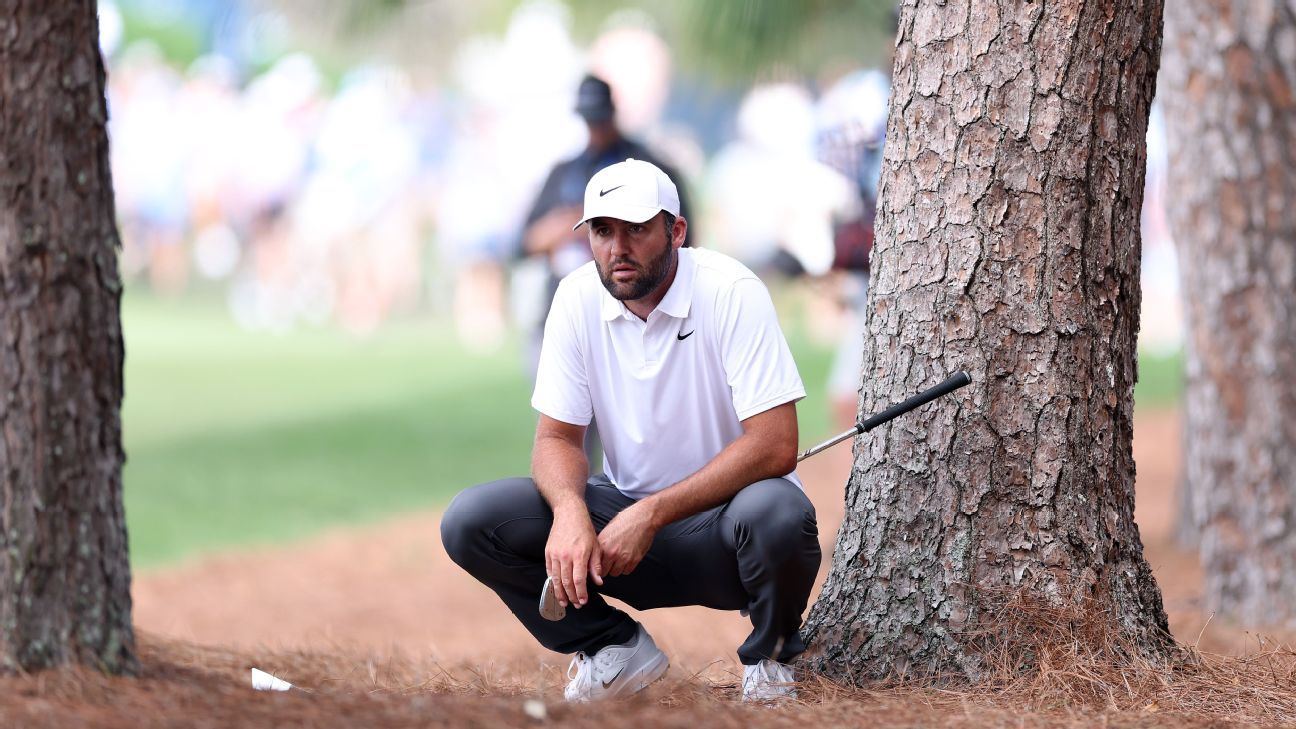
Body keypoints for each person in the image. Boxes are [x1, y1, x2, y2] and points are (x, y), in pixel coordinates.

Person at [442, 159, 819, 703]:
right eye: (602, 231)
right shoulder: (574, 299)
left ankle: (771, 659)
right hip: (617, 530)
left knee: (779, 513)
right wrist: (572, 513)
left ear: (676, 231)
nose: (617, 247)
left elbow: (776, 443)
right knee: (472, 520)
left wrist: (650, 514)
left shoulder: (731, 290)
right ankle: (612, 648)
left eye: (636, 229)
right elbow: (556, 440)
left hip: (724, 535)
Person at [518, 73, 692, 469]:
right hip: (567, 302)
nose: (594, 127)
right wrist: (558, 229)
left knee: (639, 422)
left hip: (645, 307)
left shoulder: (652, 166)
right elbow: (524, 242)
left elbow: (686, 235)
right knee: (567, 422)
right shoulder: (563, 171)